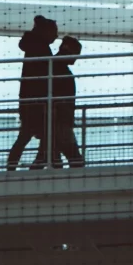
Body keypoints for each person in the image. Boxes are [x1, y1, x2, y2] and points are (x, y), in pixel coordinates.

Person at [7, 17, 58, 171]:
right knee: (47, 135)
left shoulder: (33, 47)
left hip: (29, 101)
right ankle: (39, 164)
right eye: (54, 32)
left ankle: (13, 167)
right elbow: (45, 77)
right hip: (39, 102)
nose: (56, 36)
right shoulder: (41, 48)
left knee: (26, 136)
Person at [49, 33, 85, 168]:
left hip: (56, 119)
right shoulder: (61, 69)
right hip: (61, 120)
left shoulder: (54, 66)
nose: (77, 57)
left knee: (51, 156)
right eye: (76, 53)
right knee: (75, 159)